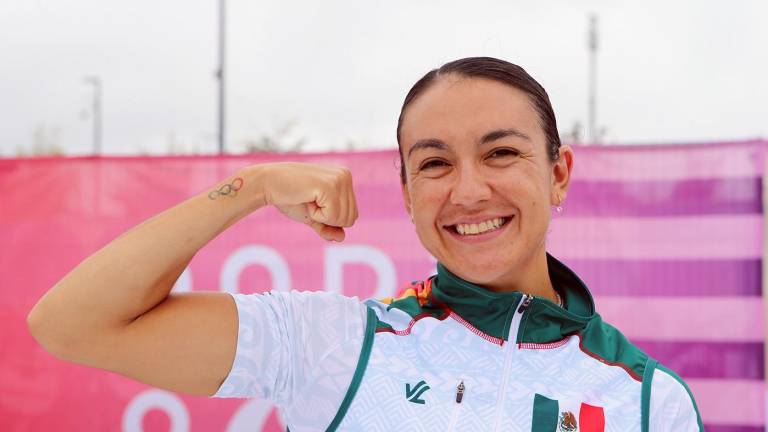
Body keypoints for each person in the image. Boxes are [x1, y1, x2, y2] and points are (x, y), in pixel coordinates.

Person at [27, 57, 703, 431]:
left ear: (557, 174)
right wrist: (255, 185)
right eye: (435, 164)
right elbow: (73, 324)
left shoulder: (649, 401)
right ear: (407, 192)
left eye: (500, 153)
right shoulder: (337, 345)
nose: (468, 191)